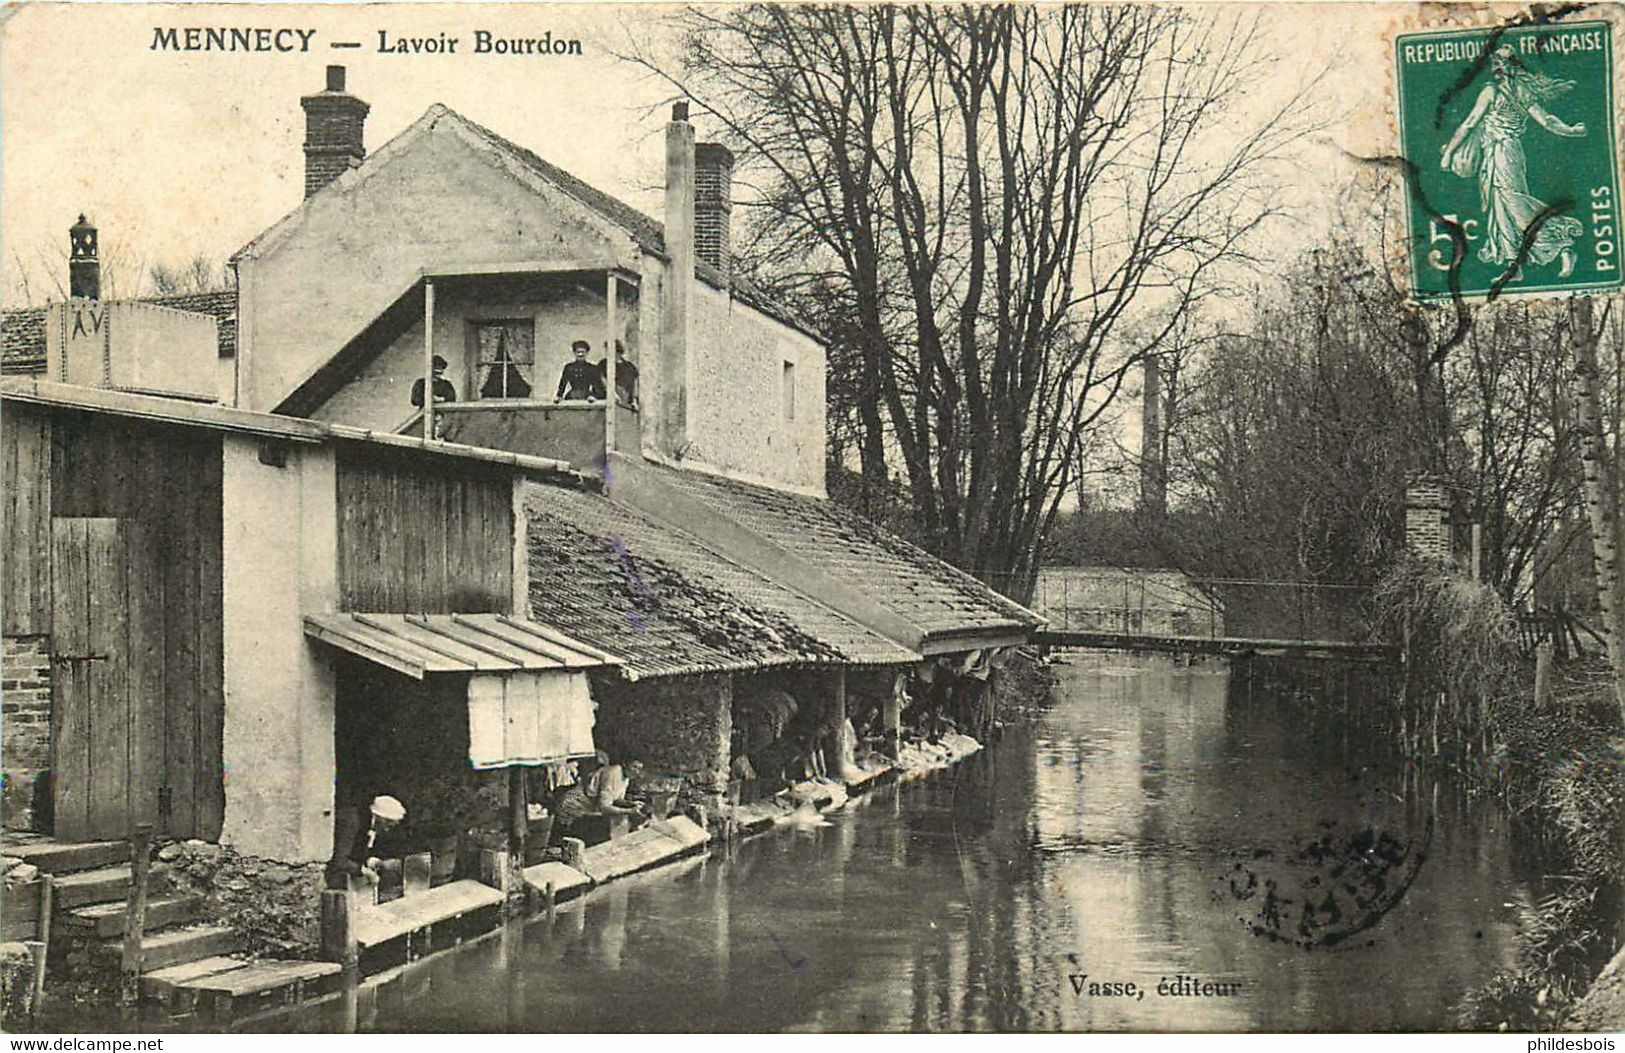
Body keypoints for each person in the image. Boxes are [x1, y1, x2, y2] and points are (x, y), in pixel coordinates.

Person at [1439, 45, 1586, 278]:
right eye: (1496, 62)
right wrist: (1570, 130)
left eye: (1500, 63)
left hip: (1504, 152)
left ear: (1508, 66)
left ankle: (1562, 245)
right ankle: (1513, 266)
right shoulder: (1517, 91)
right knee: (1500, 207)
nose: (1497, 66)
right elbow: (1547, 120)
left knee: (1512, 201)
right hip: (1499, 152)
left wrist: (1449, 153)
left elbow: (1469, 123)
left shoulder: (1494, 91)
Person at [552, 751, 646, 844]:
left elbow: (615, 798)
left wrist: (630, 804)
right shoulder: (613, 773)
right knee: (574, 841)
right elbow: (604, 807)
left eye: (639, 769)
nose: (636, 771)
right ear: (625, 764)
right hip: (571, 808)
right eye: (634, 767)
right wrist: (629, 811)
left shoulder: (626, 777)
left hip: (585, 809)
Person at [325, 794, 407, 890]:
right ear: (381, 818)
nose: (386, 830)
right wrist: (365, 872)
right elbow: (339, 861)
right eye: (388, 826)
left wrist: (371, 861)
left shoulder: (369, 825)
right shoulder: (352, 822)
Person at [596, 340, 639, 408]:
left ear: (618, 351)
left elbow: (635, 383)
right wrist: (613, 394)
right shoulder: (603, 364)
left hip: (626, 400)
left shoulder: (629, 366)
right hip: (610, 399)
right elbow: (603, 379)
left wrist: (634, 400)